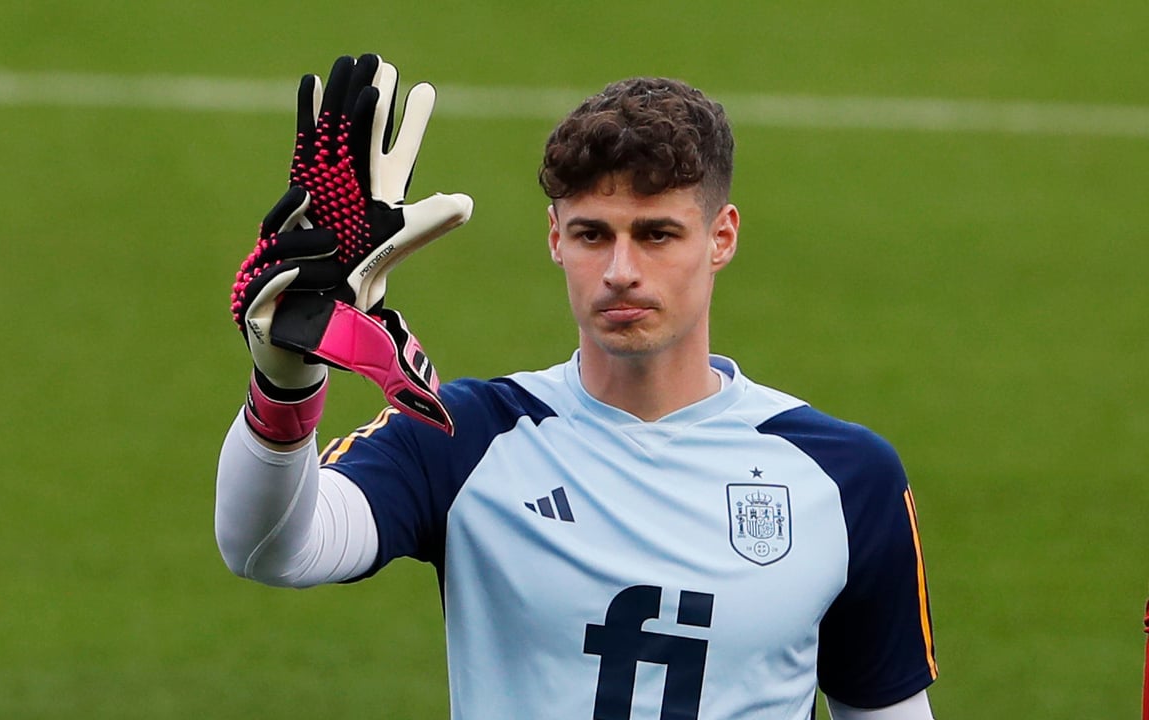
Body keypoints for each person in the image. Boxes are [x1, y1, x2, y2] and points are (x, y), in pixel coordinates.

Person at [217, 54, 938, 720]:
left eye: (656, 235)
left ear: (721, 237)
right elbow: (271, 550)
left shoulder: (845, 479)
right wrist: (285, 384)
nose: (621, 271)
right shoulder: (465, 436)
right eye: (593, 234)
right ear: (555, 237)